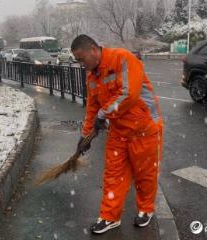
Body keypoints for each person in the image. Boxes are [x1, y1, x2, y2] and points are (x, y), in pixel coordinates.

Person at [71, 35, 163, 234]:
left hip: (144, 129)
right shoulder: (92, 76)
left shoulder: (122, 58)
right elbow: (92, 107)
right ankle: (109, 217)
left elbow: (128, 93)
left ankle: (146, 209)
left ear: (94, 50)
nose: (80, 64)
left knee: (145, 174)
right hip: (119, 131)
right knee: (113, 175)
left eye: (81, 58)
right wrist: (85, 136)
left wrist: (104, 115)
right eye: (77, 60)